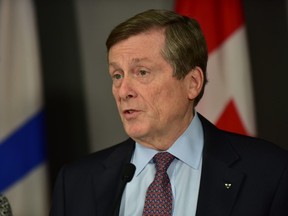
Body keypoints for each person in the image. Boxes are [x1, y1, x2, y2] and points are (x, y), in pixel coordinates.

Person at [49, 9, 288, 216]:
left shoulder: (270, 173)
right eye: (117, 75)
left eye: (141, 72)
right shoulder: (75, 183)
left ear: (192, 82)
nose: (123, 91)